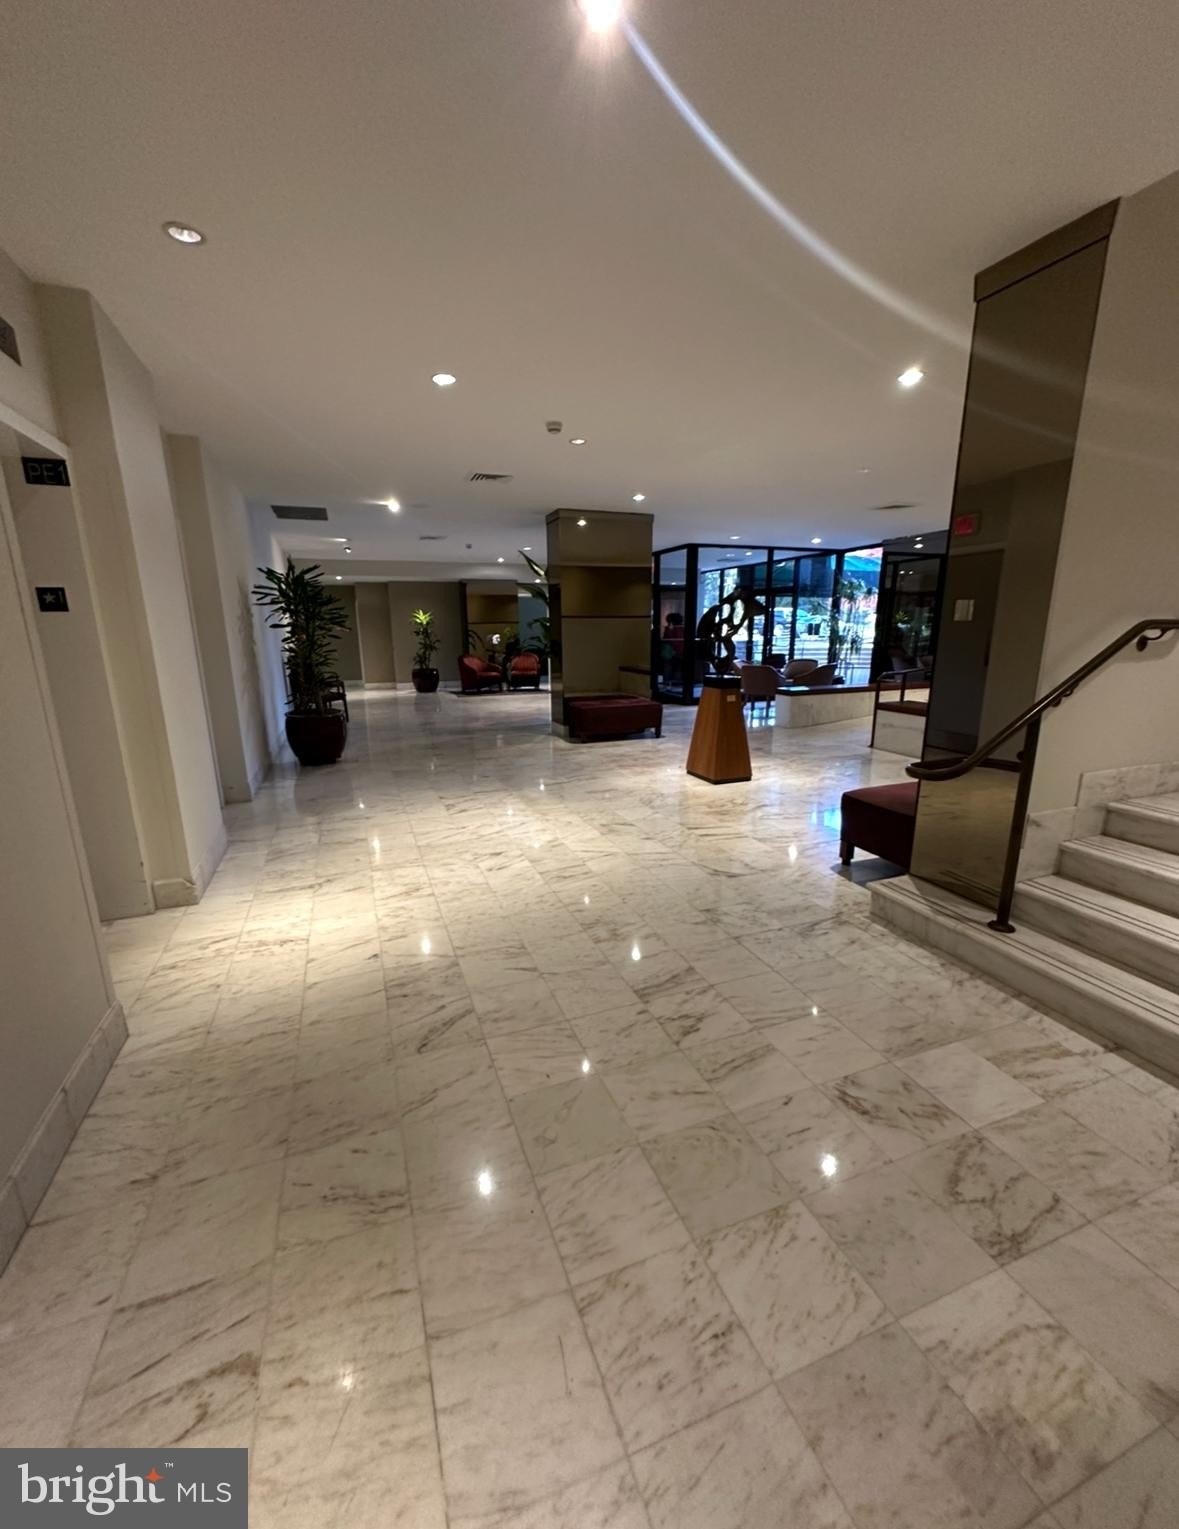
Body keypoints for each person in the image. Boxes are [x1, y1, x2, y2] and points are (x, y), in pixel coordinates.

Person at [661, 611, 685, 685]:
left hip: (672, 651)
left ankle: (666, 682)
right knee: (679, 668)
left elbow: (668, 639)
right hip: (681, 651)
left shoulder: (671, 628)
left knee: (668, 666)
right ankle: (677, 682)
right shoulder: (682, 628)